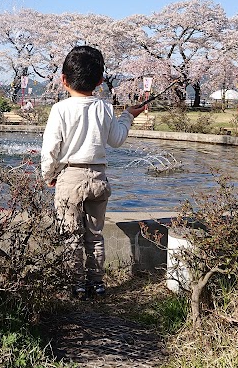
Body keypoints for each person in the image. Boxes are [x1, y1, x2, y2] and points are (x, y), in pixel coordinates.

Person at [40, 46, 146, 299]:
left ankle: (75, 283)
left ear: (63, 79)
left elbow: (50, 150)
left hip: (70, 178)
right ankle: (96, 283)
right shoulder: (105, 108)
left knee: (70, 235)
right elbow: (117, 140)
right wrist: (127, 116)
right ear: (100, 81)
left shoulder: (60, 109)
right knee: (95, 234)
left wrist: (49, 176)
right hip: (98, 178)